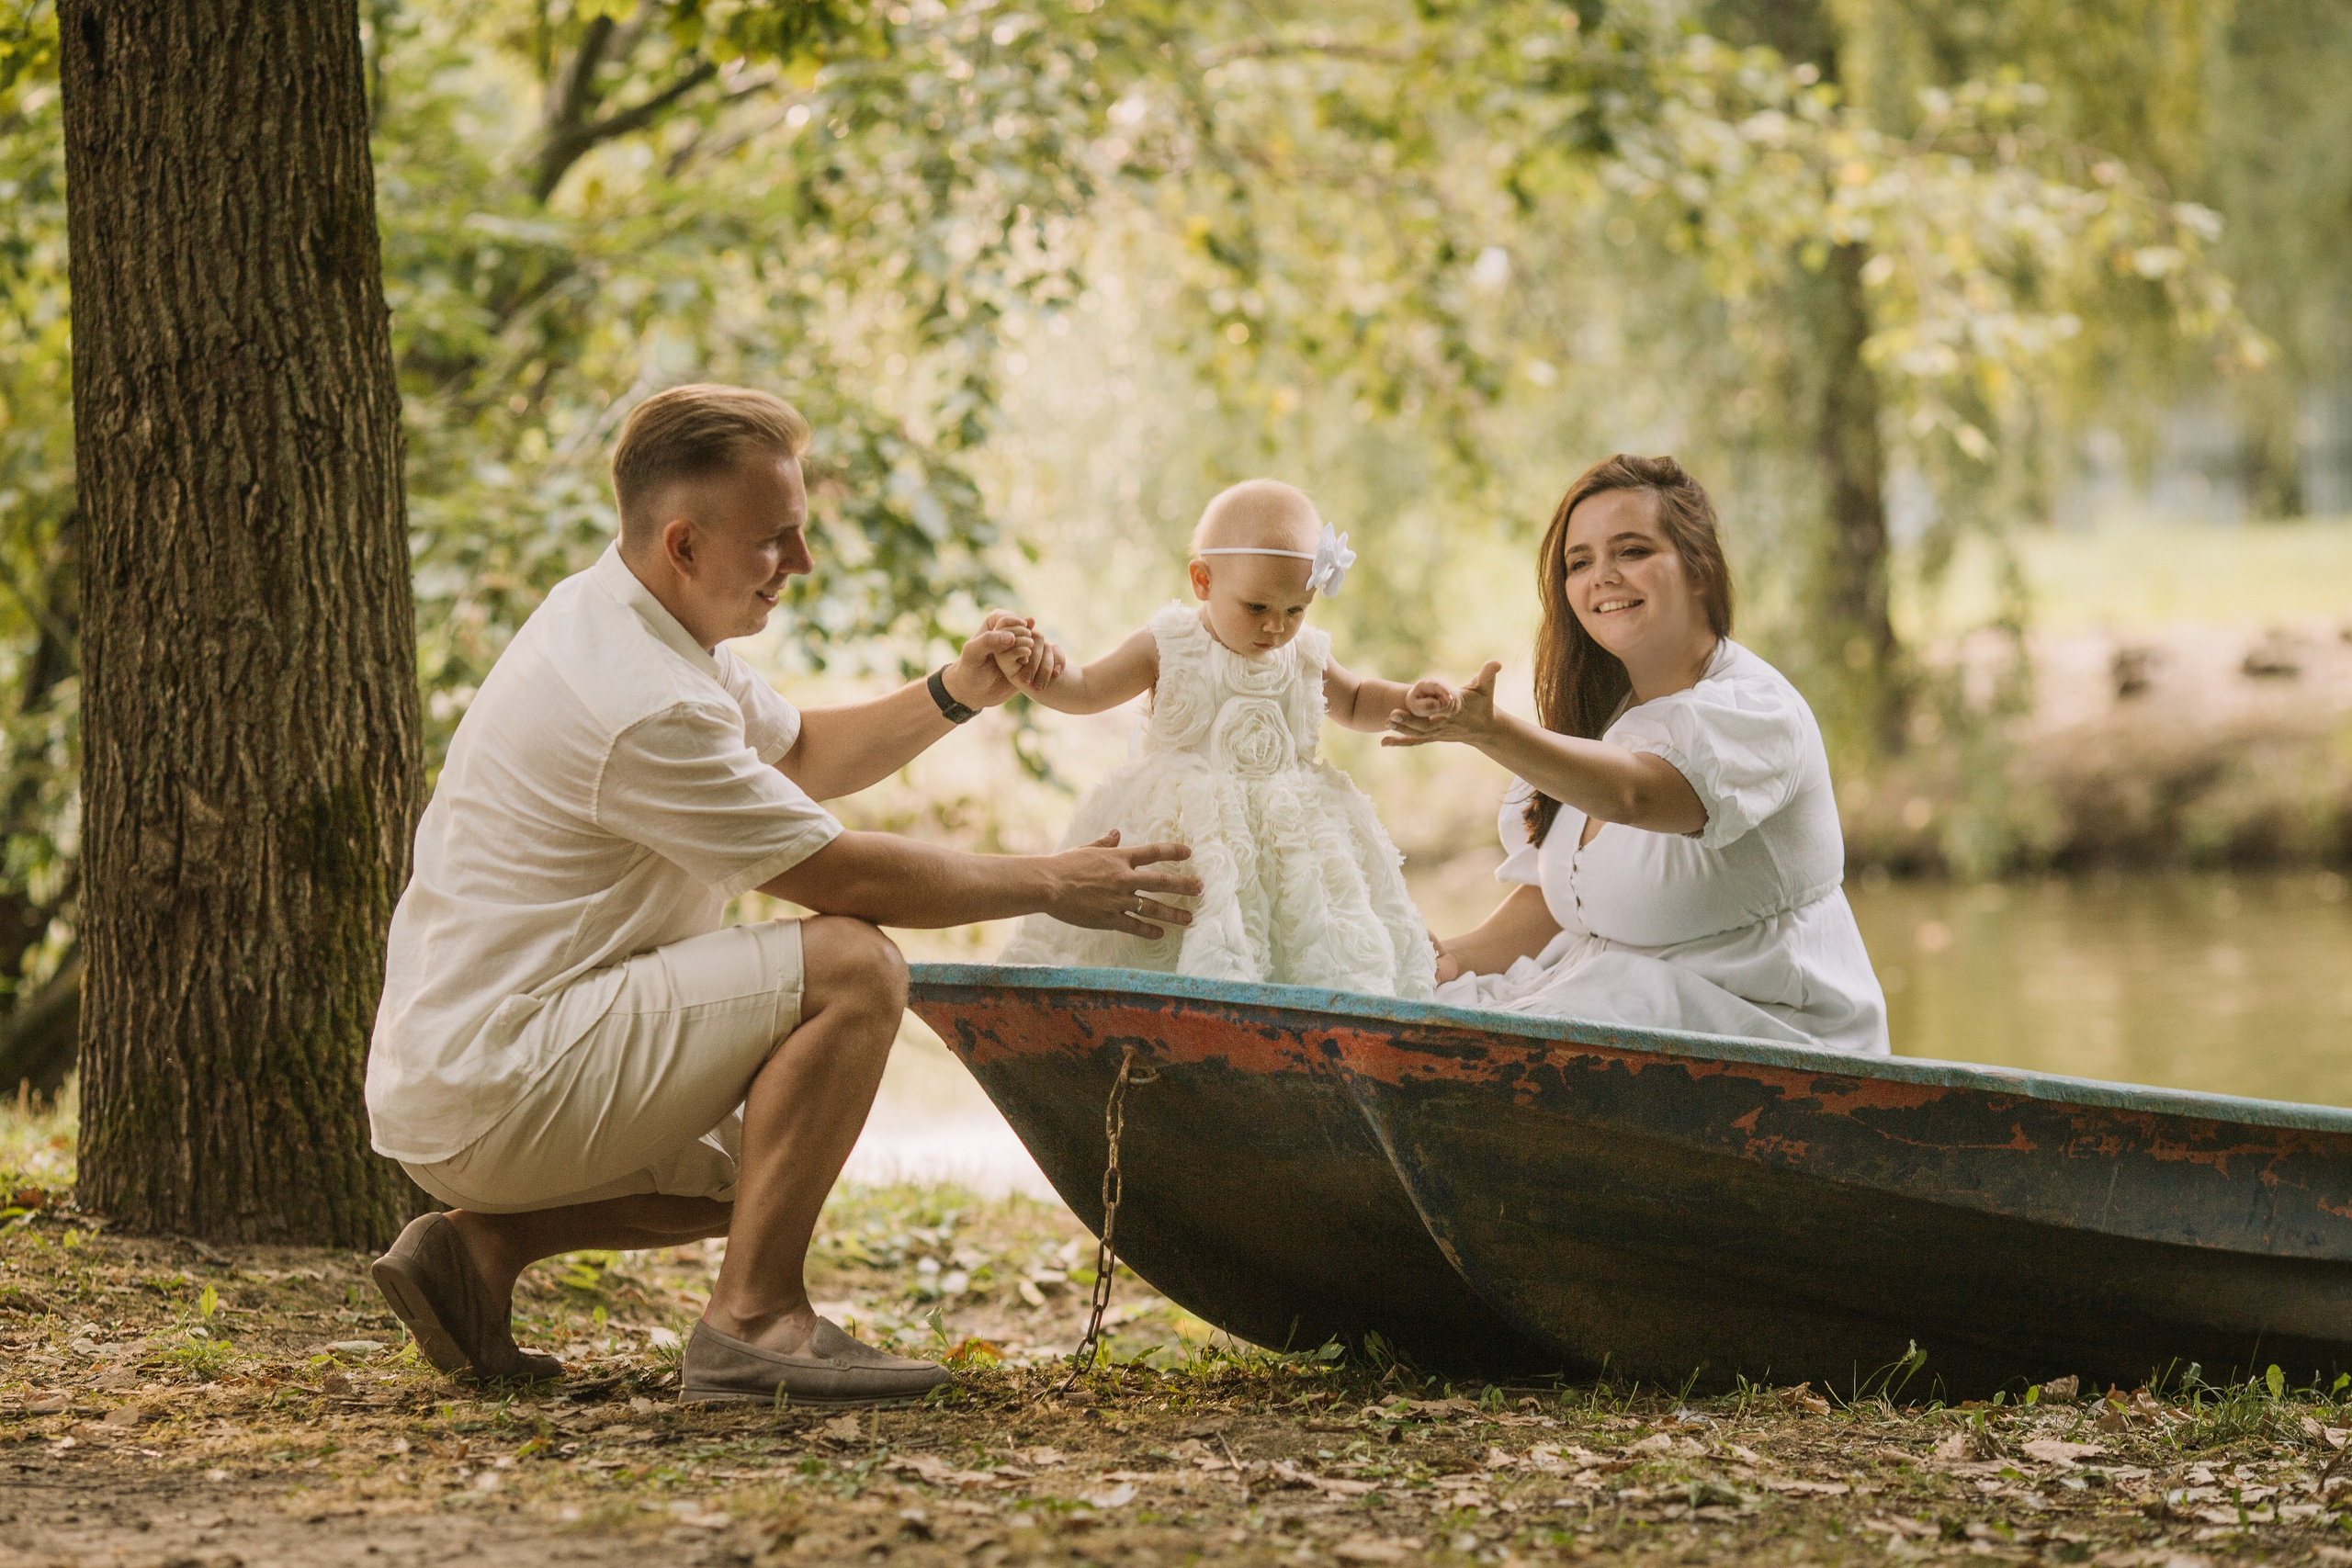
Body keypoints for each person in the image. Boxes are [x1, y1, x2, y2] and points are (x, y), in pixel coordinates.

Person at [365, 384, 1202, 1406]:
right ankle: (752, 1328)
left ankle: (481, 1252)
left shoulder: (630, 617)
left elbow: (799, 750)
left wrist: (955, 691)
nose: (799, 565)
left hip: (480, 1062)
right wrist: (1054, 880)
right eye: (776, 541)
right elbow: (842, 875)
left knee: (759, 1166)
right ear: (684, 543)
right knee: (855, 966)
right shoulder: (640, 701)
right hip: (498, 1071)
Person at [1385, 455, 1889, 1055]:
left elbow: (1636, 794)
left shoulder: (1757, 713)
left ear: (1697, 568)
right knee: (1417, 1014)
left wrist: (1491, 732)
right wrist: (1444, 961)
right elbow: (1567, 898)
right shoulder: (1605, 721)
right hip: (1627, 1026)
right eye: (1580, 562)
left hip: (1770, 1044)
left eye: (1631, 551)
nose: (1602, 576)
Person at [993, 480, 1450, 997]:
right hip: (1190, 831)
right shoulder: (1167, 644)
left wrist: (1407, 700)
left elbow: (1357, 697)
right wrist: (1037, 671)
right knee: (1183, 938)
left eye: (1296, 610)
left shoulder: (1304, 655)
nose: (1277, 627)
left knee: (1307, 939)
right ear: (1203, 580)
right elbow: (1089, 688)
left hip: (1289, 835)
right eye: (1257, 608)